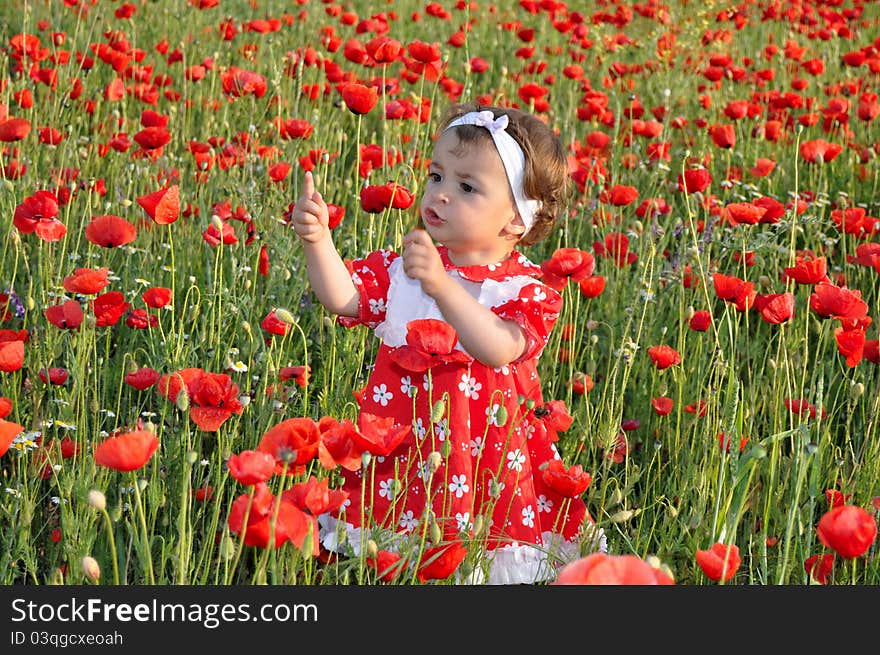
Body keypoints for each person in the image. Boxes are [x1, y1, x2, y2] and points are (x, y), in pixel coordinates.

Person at [290, 102, 604, 584]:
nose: (439, 195)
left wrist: (442, 287)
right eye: (437, 176)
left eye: (466, 187)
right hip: (405, 451)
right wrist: (318, 242)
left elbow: (498, 346)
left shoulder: (524, 289)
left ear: (516, 220)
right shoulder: (406, 272)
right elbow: (346, 299)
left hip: (484, 461)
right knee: (397, 551)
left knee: (476, 557)